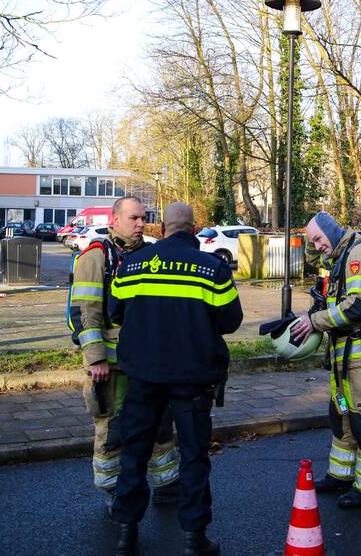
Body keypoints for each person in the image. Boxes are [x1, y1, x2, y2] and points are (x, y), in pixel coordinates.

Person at [109, 202, 243, 556]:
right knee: (194, 458)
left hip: (143, 377)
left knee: (134, 454)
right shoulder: (212, 268)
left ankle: (126, 535)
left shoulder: (132, 264)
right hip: (193, 380)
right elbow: (231, 321)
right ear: (195, 228)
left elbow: (115, 311)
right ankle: (194, 539)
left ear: (162, 227)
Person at [68, 196, 180, 509]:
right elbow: (84, 311)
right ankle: (113, 489)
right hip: (112, 366)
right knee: (112, 427)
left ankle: (167, 482)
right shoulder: (96, 257)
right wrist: (96, 357)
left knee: (160, 421)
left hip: (148, 363)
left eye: (144, 218)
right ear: (114, 220)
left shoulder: (149, 255)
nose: (141, 224)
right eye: (134, 218)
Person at [291, 211, 361, 509]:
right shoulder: (339, 254)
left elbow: (358, 305)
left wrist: (314, 321)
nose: (317, 246)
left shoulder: (360, 253)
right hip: (344, 357)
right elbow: (311, 260)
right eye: (314, 241)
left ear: (332, 232)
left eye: (319, 239)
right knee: (342, 415)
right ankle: (341, 475)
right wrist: (312, 236)